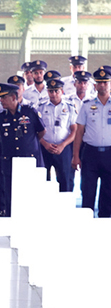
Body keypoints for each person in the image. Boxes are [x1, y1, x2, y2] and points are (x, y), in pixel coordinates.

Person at [0, 83, 45, 217]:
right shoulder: (2, 116)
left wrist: (28, 143)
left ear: (13, 97)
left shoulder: (29, 112)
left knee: (30, 193)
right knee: (10, 193)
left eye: (4, 98)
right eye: (0, 98)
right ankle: (10, 217)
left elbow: (41, 132)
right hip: (9, 161)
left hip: (28, 160)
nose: (1, 101)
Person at [72, 67, 111, 217]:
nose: (103, 85)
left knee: (108, 193)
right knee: (87, 191)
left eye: (106, 82)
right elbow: (79, 132)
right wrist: (76, 156)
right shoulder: (87, 105)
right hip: (90, 154)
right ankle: (85, 224)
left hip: (109, 154)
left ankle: (105, 225)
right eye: (99, 82)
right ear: (94, 86)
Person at [38, 77, 77, 192]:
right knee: (43, 179)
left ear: (62, 91)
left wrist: (62, 145)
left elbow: (74, 130)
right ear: (47, 91)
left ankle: (65, 207)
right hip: (44, 148)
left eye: (56, 91)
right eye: (51, 91)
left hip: (63, 148)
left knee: (65, 179)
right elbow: (35, 130)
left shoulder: (69, 107)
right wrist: (45, 144)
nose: (53, 94)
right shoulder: (40, 106)